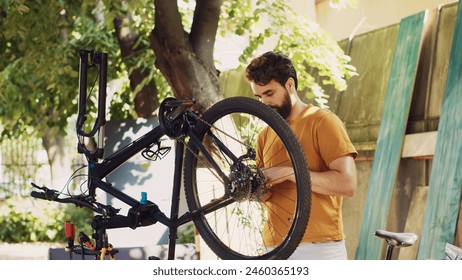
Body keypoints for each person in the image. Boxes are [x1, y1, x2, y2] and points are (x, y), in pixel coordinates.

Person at [245, 51, 358, 260]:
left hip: (319, 248)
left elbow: (347, 184)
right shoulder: (264, 136)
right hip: (274, 248)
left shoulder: (322, 121)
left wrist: (289, 173)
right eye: (259, 97)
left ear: (289, 85)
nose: (264, 103)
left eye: (269, 94)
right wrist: (252, 190)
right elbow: (266, 196)